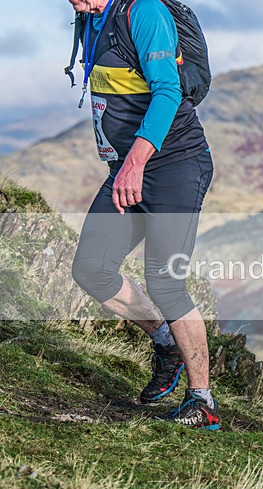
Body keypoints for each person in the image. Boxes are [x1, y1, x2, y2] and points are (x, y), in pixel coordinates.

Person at [67, 0, 219, 429]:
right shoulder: (90, 18)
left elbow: (168, 91)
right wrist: (124, 165)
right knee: (91, 268)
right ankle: (166, 340)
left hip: (175, 166)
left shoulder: (144, 11)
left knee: (166, 281)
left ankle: (202, 401)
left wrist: (134, 162)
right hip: (125, 169)